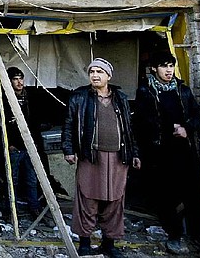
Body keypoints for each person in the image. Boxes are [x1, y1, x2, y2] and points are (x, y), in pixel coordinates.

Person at [133, 51, 200, 255]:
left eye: (170, 66)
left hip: (183, 151)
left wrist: (186, 128)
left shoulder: (182, 90)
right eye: (164, 66)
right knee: (165, 196)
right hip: (159, 152)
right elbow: (140, 123)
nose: (168, 70)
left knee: (192, 194)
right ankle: (174, 236)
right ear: (154, 69)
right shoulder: (145, 91)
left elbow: (197, 116)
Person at [62, 58, 140, 257]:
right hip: (91, 156)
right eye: (92, 71)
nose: (95, 75)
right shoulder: (79, 97)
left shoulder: (120, 98)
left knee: (114, 201)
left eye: (100, 71)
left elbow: (129, 130)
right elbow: (69, 124)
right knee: (87, 199)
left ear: (109, 76)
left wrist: (134, 153)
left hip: (117, 158)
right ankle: (85, 242)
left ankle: (109, 243)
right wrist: (68, 149)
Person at [3, 67, 42, 218]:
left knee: (31, 180)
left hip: (30, 146)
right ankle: (10, 210)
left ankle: (34, 208)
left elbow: (35, 122)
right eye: (15, 79)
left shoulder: (29, 98)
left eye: (21, 78)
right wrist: (10, 144)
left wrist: (36, 143)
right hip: (15, 148)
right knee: (12, 181)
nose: (19, 82)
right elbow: (2, 125)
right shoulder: (5, 99)